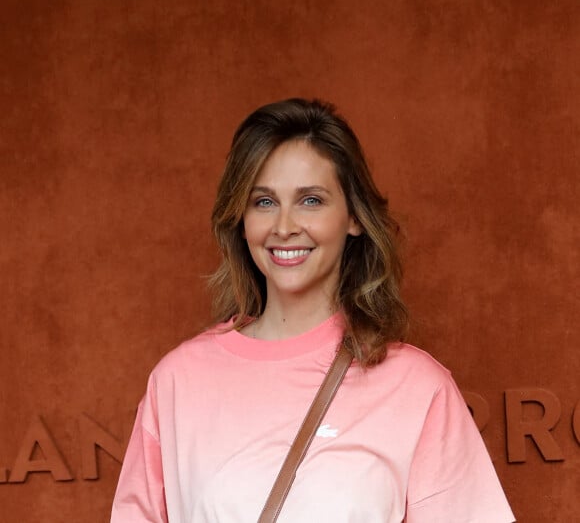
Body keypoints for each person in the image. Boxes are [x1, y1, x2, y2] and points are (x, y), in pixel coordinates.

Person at [111, 98, 515, 522]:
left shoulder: (417, 388)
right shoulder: (177, 382)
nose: (284, 226)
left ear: (354, 217)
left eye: (311, 200)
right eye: (264, 202)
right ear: (242, 220)